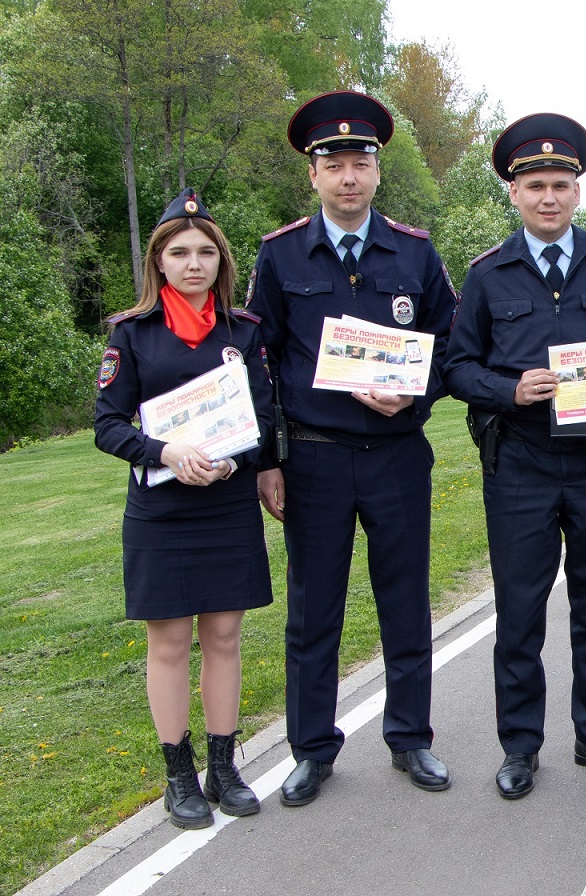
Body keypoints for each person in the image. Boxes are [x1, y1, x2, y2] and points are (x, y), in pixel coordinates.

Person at [443, 113, 586, 799]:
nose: (549, 197)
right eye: (536, 185)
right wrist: (508, 388)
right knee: (519, 611)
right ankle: (520, 746)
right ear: (513, 194)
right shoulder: (488, 274)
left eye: (561, 185)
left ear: (578, 192)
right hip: (520, 464)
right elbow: (457, 368)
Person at [247, 90, 459, 805]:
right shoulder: (279, 256)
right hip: (314, 457)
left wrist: (417, 393)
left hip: (398, 453)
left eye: (359, 163)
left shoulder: (416, 252)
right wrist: (269, 458)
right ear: (314, 175)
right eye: (332, 164)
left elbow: (449, 344)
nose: (347, 177)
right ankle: (311, 749)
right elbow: (262, 360)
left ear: (376, 172)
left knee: (405, 601)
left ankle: (411, 739)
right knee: (314, 611)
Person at [94, 189, 274, 828]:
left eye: (205, 252)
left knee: (224, 635)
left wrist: (239, 458)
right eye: (179, 252)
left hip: (225, 504)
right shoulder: (131, 334)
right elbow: (107, 425)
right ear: (159, 262)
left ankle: (225, 767)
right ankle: (179, 775)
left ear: (220, 262)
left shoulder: (242, 333)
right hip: (162, 512)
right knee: (169, 642)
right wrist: (167, 450)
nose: (193, 263)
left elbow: (262, 416)